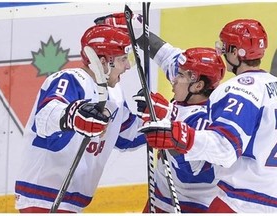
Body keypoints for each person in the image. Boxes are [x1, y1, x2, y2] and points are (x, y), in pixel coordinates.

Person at [140, 19, 277, 213]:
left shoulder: (240, 89)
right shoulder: (270, 86)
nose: (220, 51)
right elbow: (169, 57)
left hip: (239, 199)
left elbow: (224, 148)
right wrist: (136, 29)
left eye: (224, 47)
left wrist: (171, 128)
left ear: (236, 52)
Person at [95, 13, 225, 213]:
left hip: (191, 206)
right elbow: (164, 54)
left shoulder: (206, 120)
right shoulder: (192, 84)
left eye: (179, 75)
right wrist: (137, 33)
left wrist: (164, 120)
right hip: (159, 198)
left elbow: (189, 172)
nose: (173, 79)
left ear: (198, 85)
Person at [14, 24, 146, 213]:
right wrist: (74, 115)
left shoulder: (114, 93)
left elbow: (127, 136)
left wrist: (155, 123)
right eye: (123, 59)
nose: (127, 66)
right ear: (103, 62)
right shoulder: (70, 79)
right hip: (42, 198)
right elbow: (45, 117)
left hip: (72, 203)